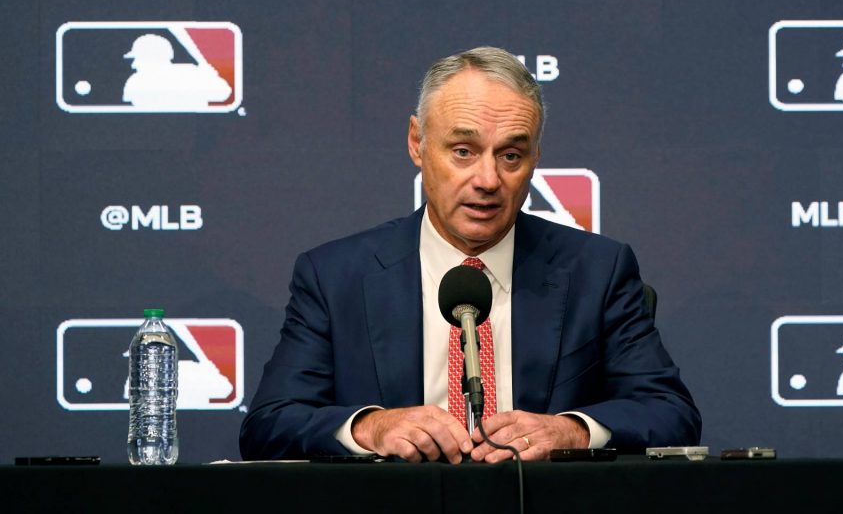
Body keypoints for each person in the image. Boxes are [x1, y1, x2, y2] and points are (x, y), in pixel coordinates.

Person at [239, 47, 700, 463]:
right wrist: (369, 427)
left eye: (511, 156)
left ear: (536, 157)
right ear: (417, 143)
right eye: (463, 151)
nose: (488, 179)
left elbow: (670, 413)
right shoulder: (336, 277)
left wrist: (570, 430)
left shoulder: (597, 272)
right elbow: (270, 423)